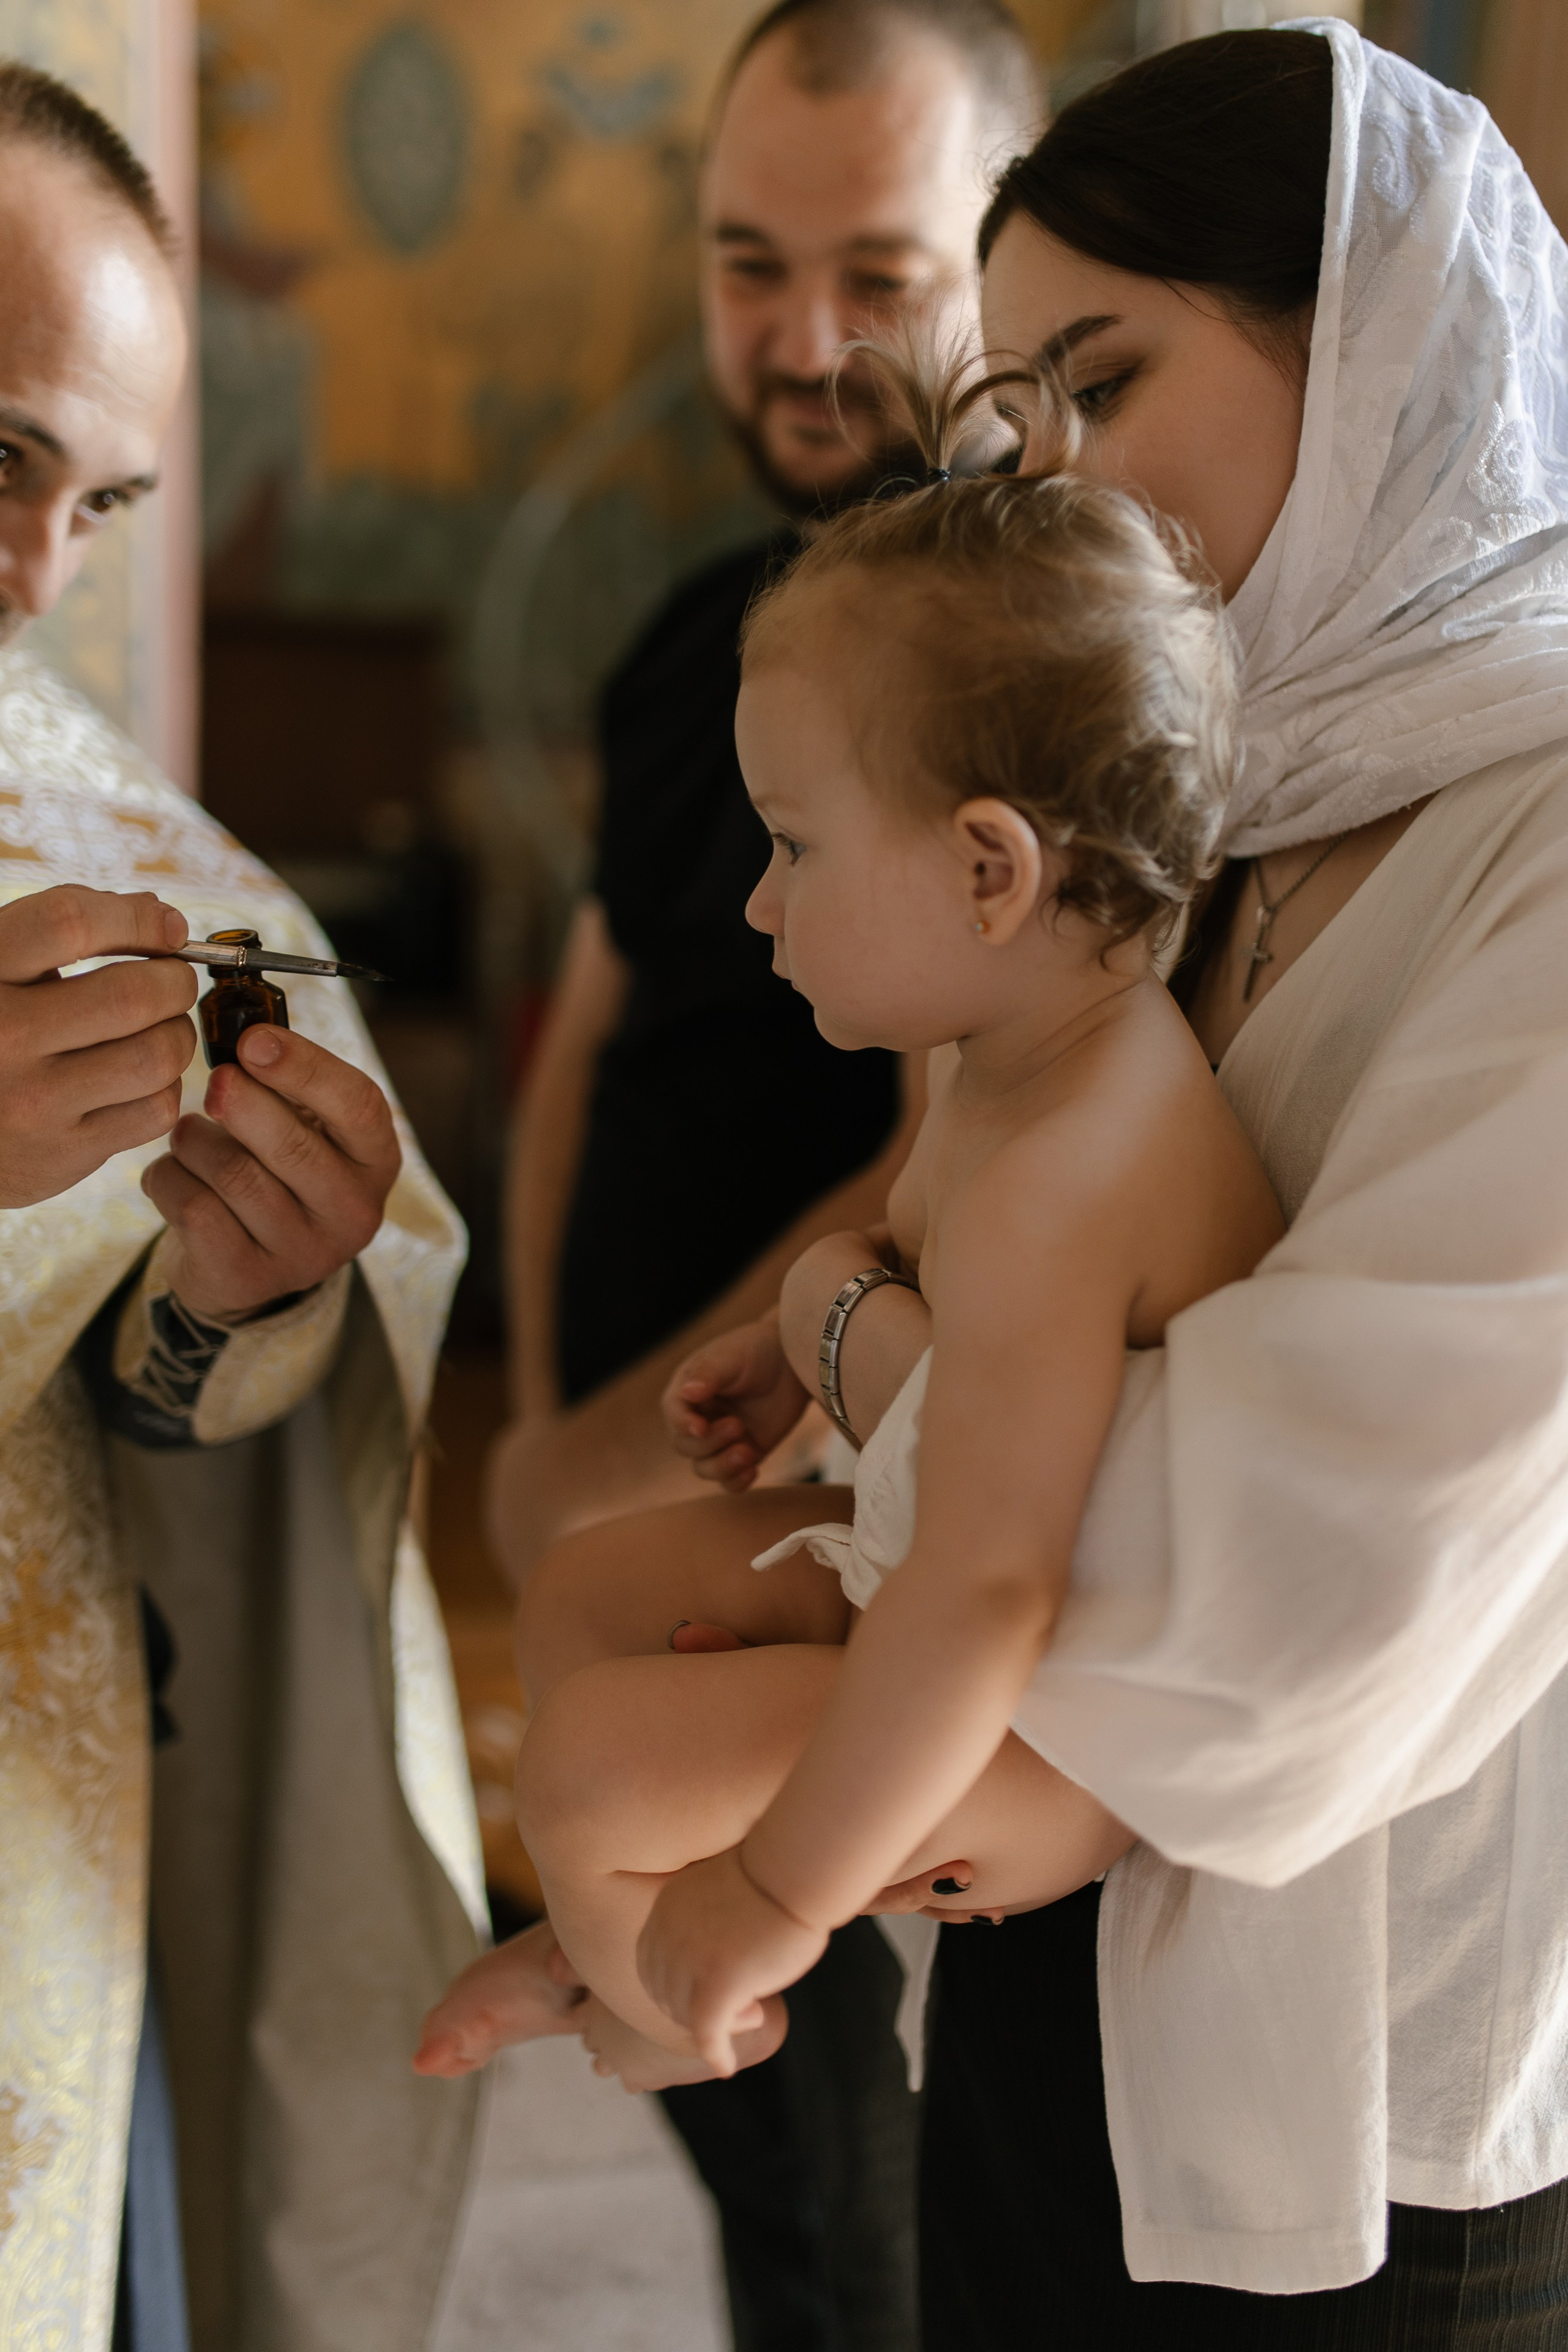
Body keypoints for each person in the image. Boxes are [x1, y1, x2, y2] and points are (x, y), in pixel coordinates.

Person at [888, 21, 1568, 2343]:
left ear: (1376, 357)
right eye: (1015, 419)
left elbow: (1337, 1512)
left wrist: (878, 1371)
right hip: (1023, 1917)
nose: (1055, 488)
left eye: (1111, 380)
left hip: (1371, 2042)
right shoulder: (1191, 805)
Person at [416, 370, 1287, 2100]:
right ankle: (611, 1953)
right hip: (959, 1596)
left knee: (584, 1762)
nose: (758, 903)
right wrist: (785, 1346)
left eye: (797, 847)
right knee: (588, 1588)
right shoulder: (1015, 1059)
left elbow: (982, 1600)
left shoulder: (1078, 1169)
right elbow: (907, 1239)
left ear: (990, 872)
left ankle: (669, 2012)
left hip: (1063, 1724)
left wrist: (775, 1886)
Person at [486, 6, 1041, 2346]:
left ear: (1005, 265)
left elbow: (957, 1156)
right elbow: (582, 1055)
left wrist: (597, 1479)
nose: (803, 343)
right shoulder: (683, 642)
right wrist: (525, 1429)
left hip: (818, 1544)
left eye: (881, 274)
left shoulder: (1045, 666)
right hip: (624, 1475)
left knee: (854, 2213)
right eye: (746, 264)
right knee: (753, 2175)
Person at [0, 66, 483, 2352]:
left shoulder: (117, 849)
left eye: (99, 501)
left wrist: (237, 1294)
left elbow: (150, 1401)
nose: (39, 579)